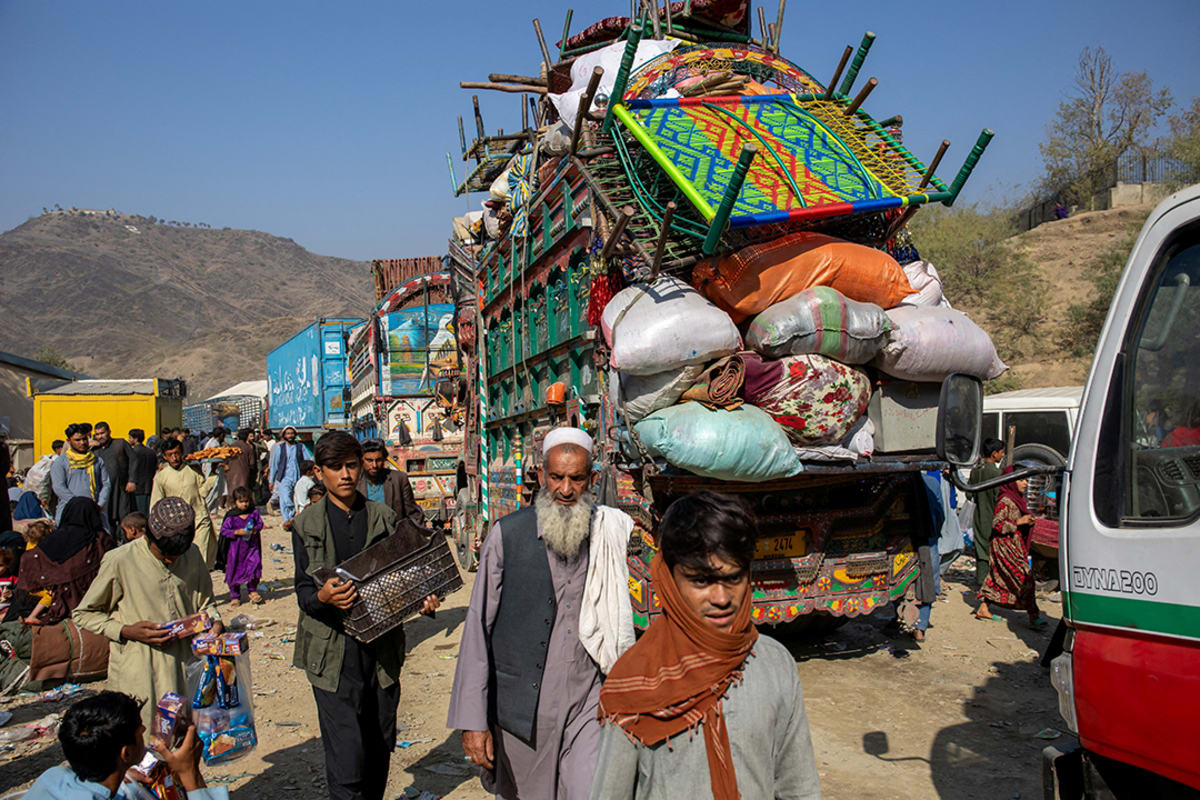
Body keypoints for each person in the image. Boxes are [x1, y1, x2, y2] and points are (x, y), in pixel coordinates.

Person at [590, 491, 821, 800]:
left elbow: (798, 788)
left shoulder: (775, 664)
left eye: (734, 578)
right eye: (701, 581)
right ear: (669, 580)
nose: (722, 599)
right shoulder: (634, 681)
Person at [448, 427, 636, 799]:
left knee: (592, 792)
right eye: (557, 477)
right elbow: (477, 632)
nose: (566, 491)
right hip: (524, 709)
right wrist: (473, 721)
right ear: (540, 476)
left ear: (592, 479)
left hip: (589, 701)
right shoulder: (507, 537)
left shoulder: (609, 534)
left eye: (577, 479)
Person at [292, 431, 439, 800]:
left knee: (377, 744)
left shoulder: (383, 518)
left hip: (381, 652)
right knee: (346, 758)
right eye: (334, 467)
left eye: (351, 465)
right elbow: (304, 594)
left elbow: (409, 574)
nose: (345, 474)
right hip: (333, 655)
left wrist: (423, 596)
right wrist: (324, 597)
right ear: (318, 473)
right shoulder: (305, 526)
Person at [74, 497, 224, 729]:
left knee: (184, 742)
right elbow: (84, 614)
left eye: (175, 556)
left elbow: (206, 604)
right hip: (141, 673)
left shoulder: (192, 555)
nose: (169, 560)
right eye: (164, 554)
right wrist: (126, 630)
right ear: (147, 536)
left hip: (186, 670)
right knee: (141, 742)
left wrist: (214, 622)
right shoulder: (120, 560)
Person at [24, 690, 230, 800]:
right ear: (126, 753)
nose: (143, 731)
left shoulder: (51, 778)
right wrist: (190, 773)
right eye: (139, 728)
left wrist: (123, 777)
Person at [17, 497, 113, 625]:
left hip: (58, 602)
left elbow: (29, 559)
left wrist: (52, 579)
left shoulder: (54, 539)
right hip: (94, 601)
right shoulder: (102, 541)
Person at [975, 467, 1045, 628]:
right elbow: (997, 524)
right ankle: (1034, 616)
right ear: (1012, 482)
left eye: (1026, 480)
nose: (1025, 484)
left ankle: (984, 608)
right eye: (1021, 480)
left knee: (997, 578)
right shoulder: (1006, 500)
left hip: (1013, 545)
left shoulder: (1017, 499)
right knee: (1025, 579)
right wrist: (1019, 523)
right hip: (1004, 547)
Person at [150, 437, 217, 569]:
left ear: (182, 452)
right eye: (170, 455)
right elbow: (156, 503)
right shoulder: (161, 477)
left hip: (199, 520)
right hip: (177, 525)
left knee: (200, 557)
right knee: (182, 562)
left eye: (177, 453)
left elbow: (202, 492)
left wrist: (213, 473)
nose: (174, 458)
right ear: (165, 456)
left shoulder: (193, 470)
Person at [50, 423, 111, 526]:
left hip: (94, 511)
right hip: (70, 511)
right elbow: (59, 487)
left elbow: (106, 484)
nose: (82, 443)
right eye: (77, 440)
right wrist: (79, 505)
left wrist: (100, 504)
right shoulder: (61, 462)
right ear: (69, 441)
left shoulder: (97, 461)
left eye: (84, 439)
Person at [357, 439, 424, 527]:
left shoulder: (399, 479)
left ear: (384, 459)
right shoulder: (355, 482)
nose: (374, 465)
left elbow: (413, 513)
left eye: (378, 460)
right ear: (361, 461)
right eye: (369, 460)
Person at [968, 438, 1006, 587]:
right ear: (994, 453)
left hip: (979, 515)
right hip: (993, 516)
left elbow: (970, 494)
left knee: (981, 549)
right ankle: (991, 581)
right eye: (1001, 452)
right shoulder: (997, 474)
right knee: (993, 549)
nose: (1002, 455)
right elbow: (1000, 498)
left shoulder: (975, 471)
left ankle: (981, 579)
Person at [220, 486, 264, 607]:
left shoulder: (253, 513)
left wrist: (255, 530)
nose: (244, 504)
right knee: (234, 570)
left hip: (252, 547)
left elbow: (260, 524)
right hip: (236, 550)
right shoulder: (231, 516)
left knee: (254, 567)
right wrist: (237, 532)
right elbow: (224, 531)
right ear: (235, 502)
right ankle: (235, 596)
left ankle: (252, 590)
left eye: (246, 501)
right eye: (241, 501)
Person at [93, 422, 138, 533]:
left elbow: (134, 460)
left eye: (102, 433)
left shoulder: (120, 444)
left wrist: (132, 480)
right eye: (97, 434)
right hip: (105, 491)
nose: (100, 436)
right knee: (107, 520)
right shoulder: (95, 450)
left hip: (122, 488)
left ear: (109, 432)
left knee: (125, 518)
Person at [270, 426, 311, 530]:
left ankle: (293, 519)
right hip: (284, 477)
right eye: (288, 433)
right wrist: (271, 480)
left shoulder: (300, 447)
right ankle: (286, 520)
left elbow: (308, 459)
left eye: (292, 433)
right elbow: (275, 465)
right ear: (284, 435)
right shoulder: (280, 448)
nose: (290, 436)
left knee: (297, 498)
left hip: (297, 477)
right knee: (285, 499)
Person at [127, 429, 158, 515]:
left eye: (130, 438)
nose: (129, 440)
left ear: (135, 439)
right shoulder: (151, 452)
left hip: (137, 488)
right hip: (149, 486)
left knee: (138, 514)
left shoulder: (133, 452)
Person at [224, 428, 258, 502]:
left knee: (231, 490)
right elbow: (252, 463)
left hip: (230, 472)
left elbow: (225, 460)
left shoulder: (231, 446)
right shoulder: (248, 448)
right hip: (244, 472)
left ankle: (230, 505)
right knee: (243, 491)